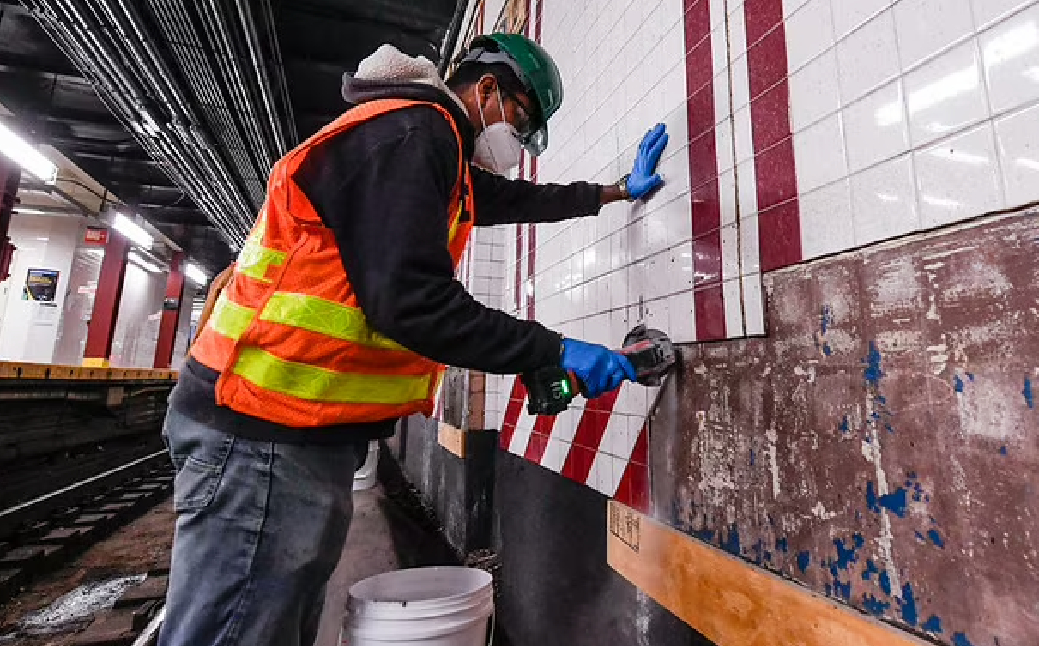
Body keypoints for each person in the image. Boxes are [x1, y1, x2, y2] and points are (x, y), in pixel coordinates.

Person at [158, 34, 669, 646]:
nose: (516, 140)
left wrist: (614, 192)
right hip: (260, 426)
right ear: (486, 90)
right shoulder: (414, 134)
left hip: (287, 429)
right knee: (240, 629)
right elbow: (414, 305)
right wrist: (551, 351)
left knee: (268, 624)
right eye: (522, 118)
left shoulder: (427, 146)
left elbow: (510, 198)